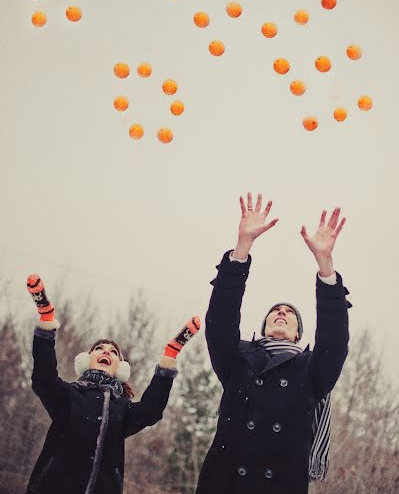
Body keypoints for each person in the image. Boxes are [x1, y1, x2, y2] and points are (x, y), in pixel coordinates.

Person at [196, 192, 351, 494]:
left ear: (297, 334)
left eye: (290, 313)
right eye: (275, 312)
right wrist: (242, 249)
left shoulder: (312, 372)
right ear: (265, 326)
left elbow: (335, 340)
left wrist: (326, 268)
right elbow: (219, 321)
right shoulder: (237, 358)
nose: (281, 312)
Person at [24, 274, 200, 494]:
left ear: (120, 368)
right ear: (86, 361)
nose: (106, 351)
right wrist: (47, 321)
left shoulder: (122, 409)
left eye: (113, 352)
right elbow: (44, 379)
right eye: (99, 348)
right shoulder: (69, 395)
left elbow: (151, 410)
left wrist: (170, 355)